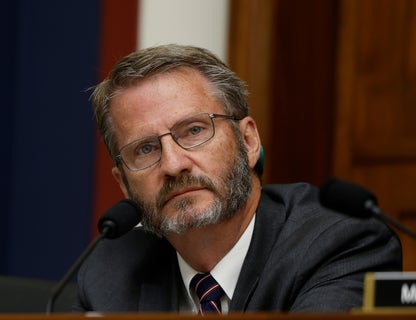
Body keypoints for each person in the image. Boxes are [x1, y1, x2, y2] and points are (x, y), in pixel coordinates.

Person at [75, 44, 402, 313]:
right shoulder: (111, 268)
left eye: (194, 130)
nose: (174, 165)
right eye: (145, 149)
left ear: (247, 141)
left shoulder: (337, 244)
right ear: (124, 184)